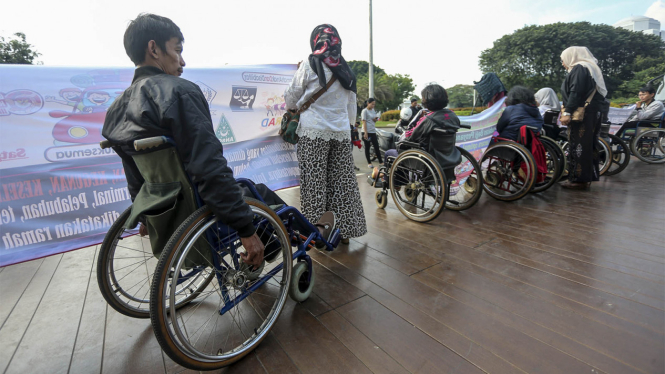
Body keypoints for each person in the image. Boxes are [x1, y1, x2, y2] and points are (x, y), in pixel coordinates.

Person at [102, 14, 269, 266]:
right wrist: (246, 230)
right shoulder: (180, 91)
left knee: (247, 191)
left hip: (166, 211)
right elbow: (208, 166)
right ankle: (308, 239)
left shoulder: (116, 109)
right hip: (198, 208)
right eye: (177, 50)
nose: (182, 61)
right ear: (154, 48)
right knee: (258, 192)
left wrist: (146, 214)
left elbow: (134, 174)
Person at [284, 24, 367, 244]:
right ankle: (344, 231)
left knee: (314, 185)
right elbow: (351, 104)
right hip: (339, 133)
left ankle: (314, 235)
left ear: (315, 41)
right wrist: (347, 126)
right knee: (341, 183)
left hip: (313, 133)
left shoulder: (310, 65)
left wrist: (295, 107)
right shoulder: (345, 68)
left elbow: (291, 97)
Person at [373, 84, 461, 183]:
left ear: (426, 101)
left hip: (427, 157)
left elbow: (410, 137)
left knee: (390, 153)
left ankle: (390, 181)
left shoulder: (429, 119)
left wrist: (416, 120)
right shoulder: (452, 115)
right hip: (448, 155)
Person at [560, 46, 608, 190]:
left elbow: (576, 92)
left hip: (582, 115)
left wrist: (567, 112)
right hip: (592, 113)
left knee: (578, 146)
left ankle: (578, 180)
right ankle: (586, 178)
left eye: (563, 60)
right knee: (588, 146)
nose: (563, 63)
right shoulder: (591, 68)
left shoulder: (580, 68)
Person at [362, 98, 382, 168]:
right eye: (372, 104)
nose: (373, 105)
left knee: (376, 146)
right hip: (366, 132)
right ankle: (369, 163)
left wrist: (375, 119)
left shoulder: (373, 110)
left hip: (373, 131)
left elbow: (373, 120)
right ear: (368, 103)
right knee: (367, 147)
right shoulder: (365, 111)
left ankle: (381, 161)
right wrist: (365, 133)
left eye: (374, 104)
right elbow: (364, 122)